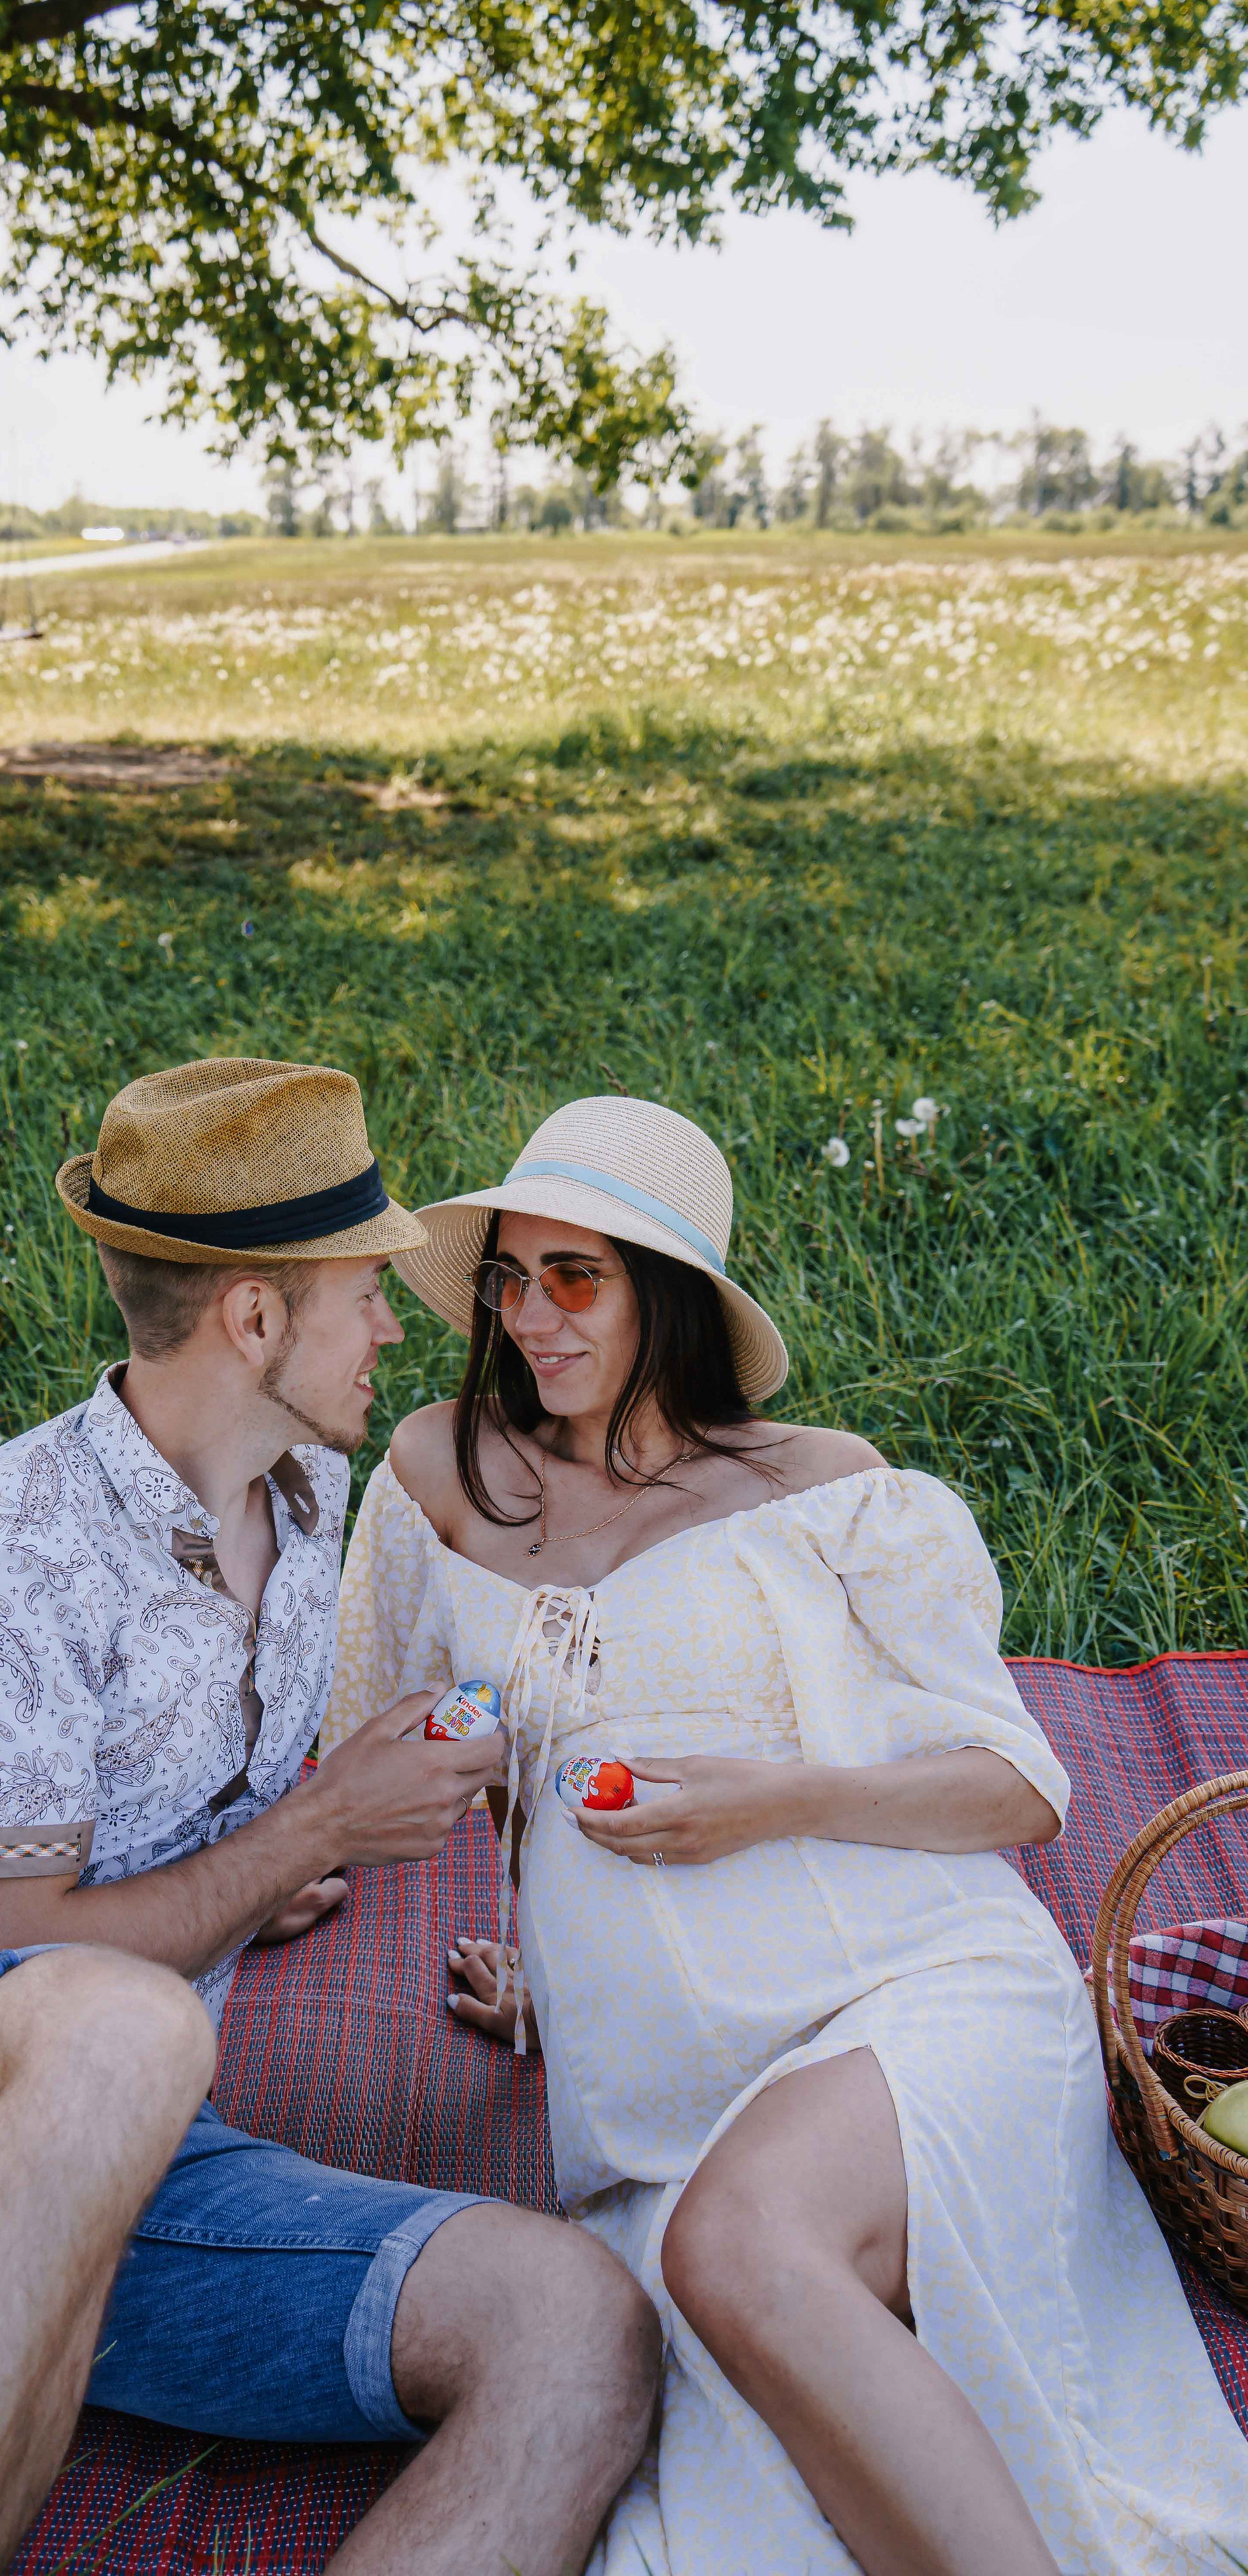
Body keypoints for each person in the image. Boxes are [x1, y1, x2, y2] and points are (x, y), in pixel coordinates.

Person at [0, 1057, 659, 2576]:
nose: (394, 1321)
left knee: (575, 2320)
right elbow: (10, 1958)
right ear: (252, 1318)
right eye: (363, 1289)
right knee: (122, 2024)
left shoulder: (307, 1496)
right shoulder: (2, 1553)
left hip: (145, 2142)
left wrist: (246, 1879)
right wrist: (306, 1837)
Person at [323, 1091, 1248, 2576]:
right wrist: (551, 1969)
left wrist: (775, 1795)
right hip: (653, 2107)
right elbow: (374, 1760)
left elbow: (1014, 1785)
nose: (530, 1315)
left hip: (905, 1999)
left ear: (667, 1297)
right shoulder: (439, 1476)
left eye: (578, 1277)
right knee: (745, 2493)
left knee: (739, 2252)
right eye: (510, 1274)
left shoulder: (822, 1489)